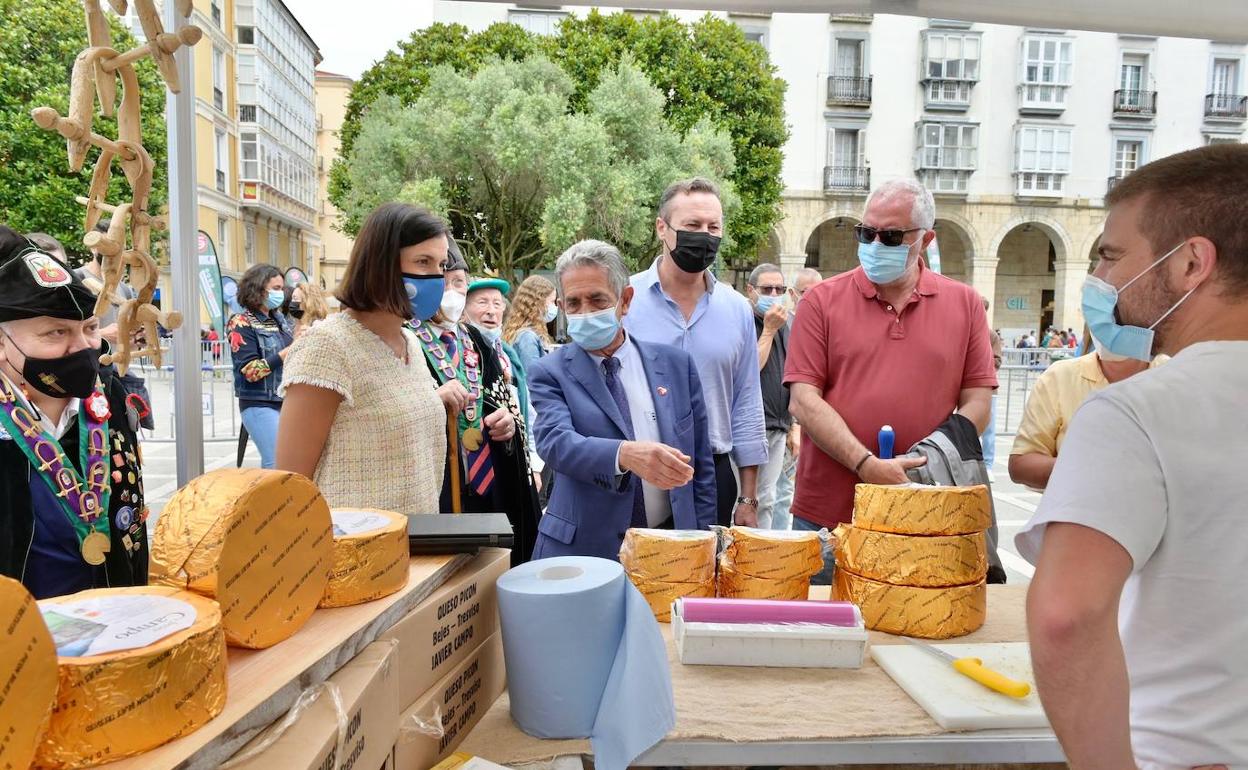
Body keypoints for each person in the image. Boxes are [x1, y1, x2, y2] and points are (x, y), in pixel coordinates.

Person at [1018, 144, 1248, 769]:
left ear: (1191, 263)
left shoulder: (1136, 412)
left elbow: (1067, 615)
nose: (1102, 279)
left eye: (1113, 255)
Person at [784, 179, 997, 584]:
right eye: (867, 233)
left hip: (923, 515)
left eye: (892, 235)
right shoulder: (820, 301)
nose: (876, 244)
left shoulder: (965, 304)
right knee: (826, 637)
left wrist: (925, 465)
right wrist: (867, 465)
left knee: (914, 632)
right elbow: (803, 401)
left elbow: (978, 403)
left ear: (926, 238)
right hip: (828, 517)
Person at [529, 240, 716, 560]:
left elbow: (700, 464)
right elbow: (555, 443)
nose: (585, 313)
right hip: (583, 550)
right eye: (573, 303)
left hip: (670, 548)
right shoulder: (549, 372)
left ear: (625, 300)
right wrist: (625, 455)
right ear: (561, 307)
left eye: (597, 300)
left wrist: (703, 541)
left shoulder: (675, 366)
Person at [0, 227, 147, 599]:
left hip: (118, 620)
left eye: (89, 327)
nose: (83, 347)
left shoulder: (108, 394)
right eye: (56, 333)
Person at [276, 203, 447, 518]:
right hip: (349, 556)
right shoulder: (327, 346)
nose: (437, 277)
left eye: (441, 264)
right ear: (381, 264)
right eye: (423, 262)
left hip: (419, 549)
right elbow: (291, 483)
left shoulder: (412, 344)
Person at [624, 178, 767, 527]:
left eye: (713, 226)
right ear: (662, 228)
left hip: (710, 473)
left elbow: (747, 402)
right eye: (692, 225)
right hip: (638, 470)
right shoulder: (626, 299)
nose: (704, 234)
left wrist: (748, 498)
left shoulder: (736, 309)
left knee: (705, 577)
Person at [412, 243, 537, 564]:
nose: (452, 291)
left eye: (459, 283)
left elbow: (503, 401)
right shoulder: (405, 339)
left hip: (488, 481)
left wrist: (508, 424)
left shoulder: (477, 341)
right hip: (435, 483)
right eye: (445, 282)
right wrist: (431, 402)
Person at [1008, 344, 1165, 491]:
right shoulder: (1060, 376)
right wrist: (1091, 468)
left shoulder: (1175, 372)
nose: (1111, 319)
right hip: (1076, 513)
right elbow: (1021, 464)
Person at [769, 266, 823, 533]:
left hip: (818, 425)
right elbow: (789, 380)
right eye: (805, 292)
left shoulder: (824, 326)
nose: (811, 298)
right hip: (787, 424)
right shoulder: (786, 326)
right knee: (780, 493)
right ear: (793, 294)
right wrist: (795, 427)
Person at [227, 264, 293, 469]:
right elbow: (250, 371)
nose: (280, 293)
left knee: (288, 465)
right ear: (258, 288)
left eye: (281, 288)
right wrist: (286, 353)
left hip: (285, 401)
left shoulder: (280, 320)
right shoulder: (240, 322)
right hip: (259, 403)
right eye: (275, 288)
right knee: (276, 464)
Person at [745, 263, 794, 530]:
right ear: (750, 291)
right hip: (749, 427)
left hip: (778, 427)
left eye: (780, 289)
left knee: (769, 498)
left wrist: (794, 425)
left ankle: (759, 556)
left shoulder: (787, 324)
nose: (774, 294)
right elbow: (750, 371)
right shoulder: (744, 321)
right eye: (767, 289)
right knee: (746, 500)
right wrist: (768, 330)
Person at [502, 274, 558, 373]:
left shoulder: (521, 332)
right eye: (552, 301)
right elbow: (533, 378)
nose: (555, 307)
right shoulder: (527, 337)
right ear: (537, 302)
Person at [981, 297, 1004, 476]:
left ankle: (988, 465)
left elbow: (997, 360)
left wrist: (979, 359)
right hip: (962, 390)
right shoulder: (962, 330)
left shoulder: (991, 335)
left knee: (988, 429)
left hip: (988, 388)